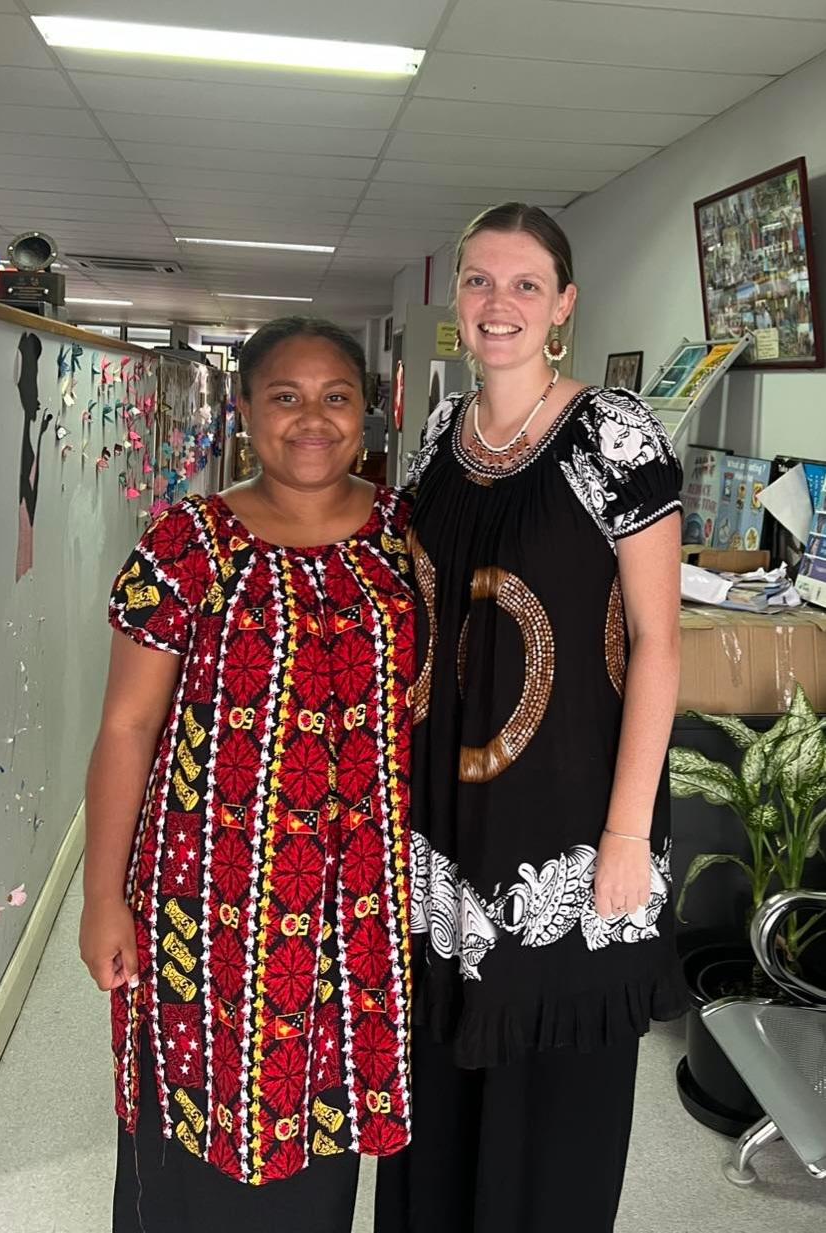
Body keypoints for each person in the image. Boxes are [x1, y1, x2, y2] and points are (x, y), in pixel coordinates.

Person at [375, 203, 685, 1233]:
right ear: (455, 302)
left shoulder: (612, 430)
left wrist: (628, 835)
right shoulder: (433, 438)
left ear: (561, 305)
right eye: (476, 281)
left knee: (553, 1099)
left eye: (520, 284)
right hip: (444, 825)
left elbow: (658, 641)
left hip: (570, 824)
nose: (495, 303)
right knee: (439, 1087)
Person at [80, 317, 416, 1232]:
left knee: (322, 1126)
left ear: (369, 413)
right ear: (244, 411)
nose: (312, 418)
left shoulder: (407, 541)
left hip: (355, 907)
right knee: (189, 1128)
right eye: (285, 396)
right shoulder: (187, 542)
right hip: (205, 895)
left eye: (336, 396)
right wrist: (101, 896)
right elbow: (127, 724)